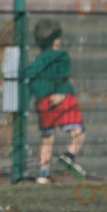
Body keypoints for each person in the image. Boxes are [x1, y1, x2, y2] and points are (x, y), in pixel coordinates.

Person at [26, 19, 86, 182]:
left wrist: (38, 98)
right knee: (78, 132)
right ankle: (69, 155)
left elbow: (31, 79)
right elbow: (63, 74)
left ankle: (43, 174)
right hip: (62, 100)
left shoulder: (37, 61)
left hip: (43, 102)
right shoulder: (61, 56)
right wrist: (61, 92)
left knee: (47, 139)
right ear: (56, 40)